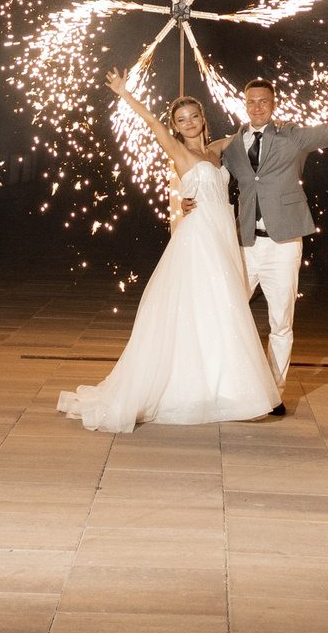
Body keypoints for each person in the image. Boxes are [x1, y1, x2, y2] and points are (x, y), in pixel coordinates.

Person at [59, 73, 281, 432]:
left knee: (222, 309)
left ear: (203, 119)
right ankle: (190, 387)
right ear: (174, 127)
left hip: (222, 238)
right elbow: (149, 120)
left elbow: (250, 131)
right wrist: (124, 93)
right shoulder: (178, 150)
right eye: (181, 120)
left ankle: (223, 388)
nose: (188, 123)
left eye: (194, 116)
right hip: (199, 240)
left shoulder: (216, 149)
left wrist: (265, 112)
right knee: (202, 306)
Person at [220, 74, 328, 400]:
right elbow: (206, 172)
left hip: (283, 243)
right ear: (243, 105)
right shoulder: (231, 146)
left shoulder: (291, 137)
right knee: (226, 311)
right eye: (251, 102)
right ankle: (231, 382)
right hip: (245, 243)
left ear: (273, 105)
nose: (257, 107)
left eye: (264, 101)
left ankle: (273, 391)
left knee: (281, 321)